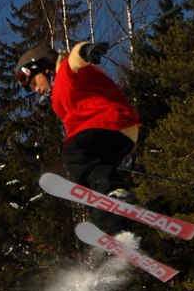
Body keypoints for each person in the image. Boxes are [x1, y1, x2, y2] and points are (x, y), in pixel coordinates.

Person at [15, 41, 143, 235]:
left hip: (111, 123)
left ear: (42, 67)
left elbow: (75, 58)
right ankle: (115, 227)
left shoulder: (66, 71)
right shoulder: (59, 92)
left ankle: (115, 196)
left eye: (34, 83)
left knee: (74, 153)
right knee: (90, 177)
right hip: (116, 132)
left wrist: (85, 50)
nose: (36, 90)